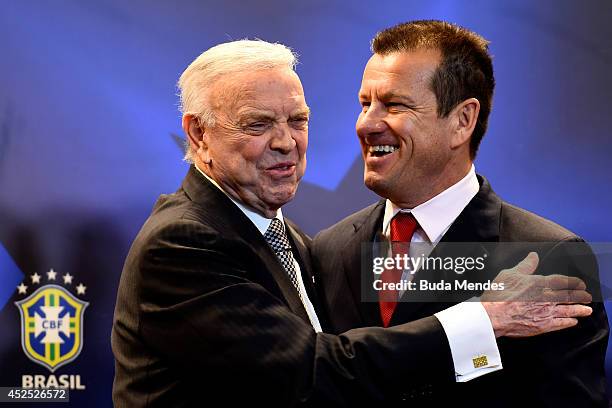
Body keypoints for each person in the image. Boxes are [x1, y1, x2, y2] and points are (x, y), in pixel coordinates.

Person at [111, 39, 594, 407]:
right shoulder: (191, 242)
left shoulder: (545, 255)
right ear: (198, 134)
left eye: (297, 121)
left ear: (462, 121)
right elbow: (316, 373)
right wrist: (482, 321)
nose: (286, 142)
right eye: (258, 124)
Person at [312, 20, 609, 406]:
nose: (366, 124)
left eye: (394, 105)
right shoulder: (328, 249)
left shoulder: (548, 256)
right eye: (365, 103)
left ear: (462, 121)